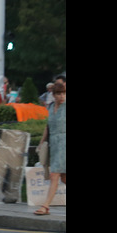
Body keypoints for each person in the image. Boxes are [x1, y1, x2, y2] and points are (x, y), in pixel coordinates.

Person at [35, 76, 66, 216]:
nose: (62, 96)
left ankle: (45, 206)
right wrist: (42, 142)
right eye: (59, 94)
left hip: (64, 143)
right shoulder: (52, 107)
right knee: (64, 178)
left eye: (64, 93)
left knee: (55, 175)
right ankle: (46, 206)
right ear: (53, 95)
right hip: (54, 143)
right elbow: (48, 127)